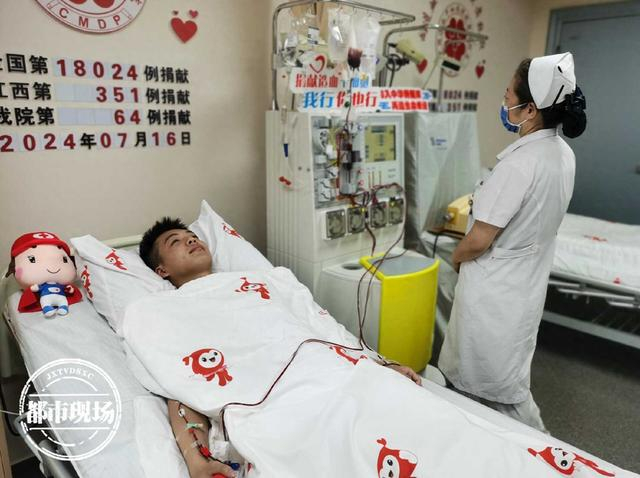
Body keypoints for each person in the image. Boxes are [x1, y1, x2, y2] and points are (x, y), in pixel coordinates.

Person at [139, 217, 422, 478]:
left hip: (328, 371)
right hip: (269, 401)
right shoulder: (162, 311)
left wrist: (382, 363)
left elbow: (322, 325)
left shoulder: (265, 280)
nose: (191, 240)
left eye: (192, 235)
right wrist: (197, 460)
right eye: (175, 241)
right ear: (161, 270)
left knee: (412, 422)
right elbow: (178, 385)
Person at [438, 52, 587, 433]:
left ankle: (541, 451)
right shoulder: (562, 154)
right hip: (523, 284)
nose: (504, 102)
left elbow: (479, 239)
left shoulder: (519, 164)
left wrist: (456, 258)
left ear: (531, 110)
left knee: (492, 388)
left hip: (495, 291)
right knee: (502, 379)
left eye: (508, 96)